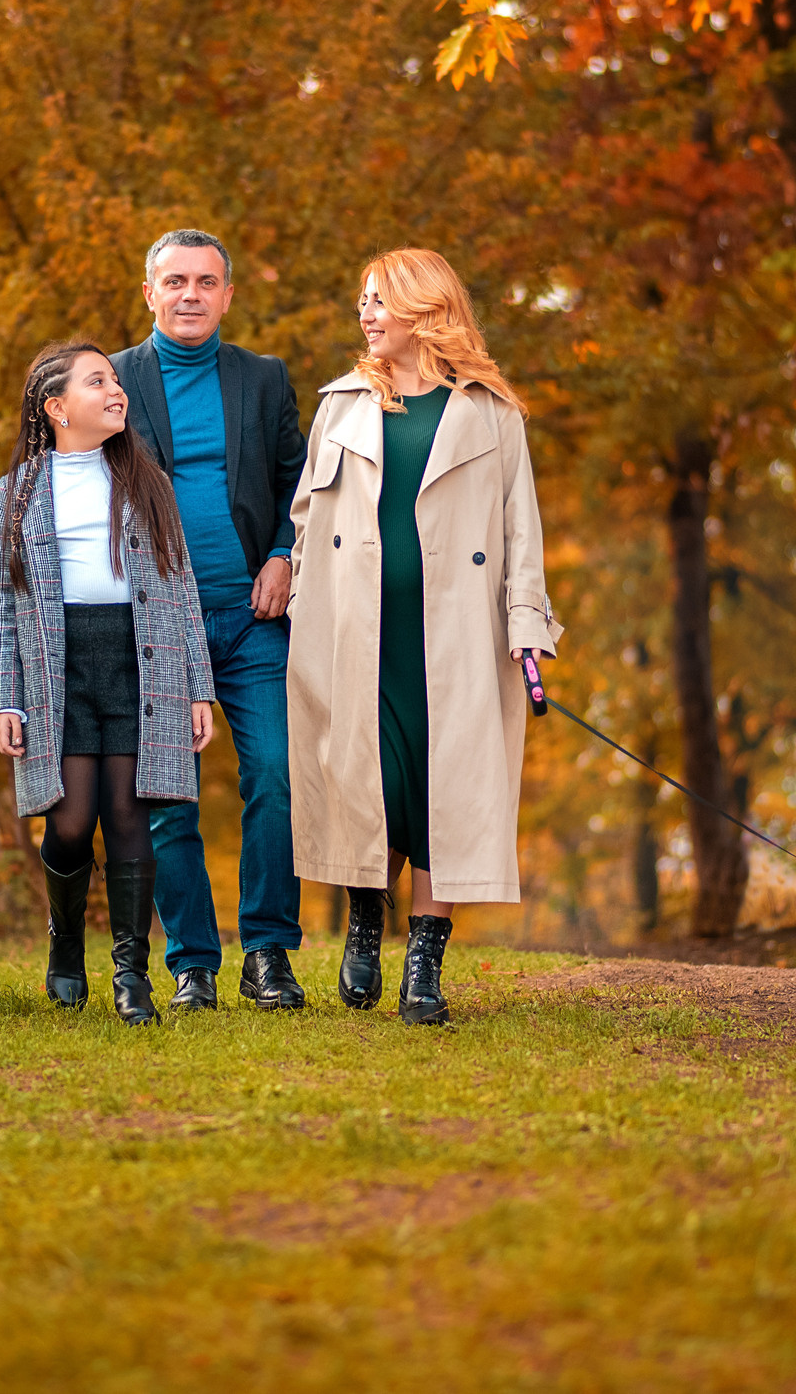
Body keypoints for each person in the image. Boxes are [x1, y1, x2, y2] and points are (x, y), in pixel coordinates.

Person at [285, 248, 562, 1027]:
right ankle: (367, 919)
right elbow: (308, 518)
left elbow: (521, 530)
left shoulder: (492, 412)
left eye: (380, 300)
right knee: (369, 780)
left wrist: (528, 627)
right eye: (362, 301)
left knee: (444, 792)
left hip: (457, 634)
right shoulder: (340, 403)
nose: (367, 315)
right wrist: (305, 598)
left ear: (425, 307)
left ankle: (425, 963)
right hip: (353, 632)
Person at [0, 343, 218, 1026]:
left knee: (128, 815)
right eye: (98, 381)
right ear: (56, 408)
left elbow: (182, 588)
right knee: (70, 819)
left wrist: (198, 685)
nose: (116, 389)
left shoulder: (149, 482)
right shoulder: (20, 489)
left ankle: (130, 972)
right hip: (58, 669)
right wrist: (6, 695)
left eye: (115, 380)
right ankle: (64, 940)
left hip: (140, 659)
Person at [108, 230, 311, 1013]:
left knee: (277, 776)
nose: (190, 294)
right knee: (170, 798)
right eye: (175, 281)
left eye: (206, 281)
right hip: (156, 626)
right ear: (150, 291)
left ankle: (269, 953)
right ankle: (192, 963)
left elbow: (299, 480)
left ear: (227, 295)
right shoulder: (115, 378)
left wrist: (285, 553)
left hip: (252, 617)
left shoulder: (262, 379)